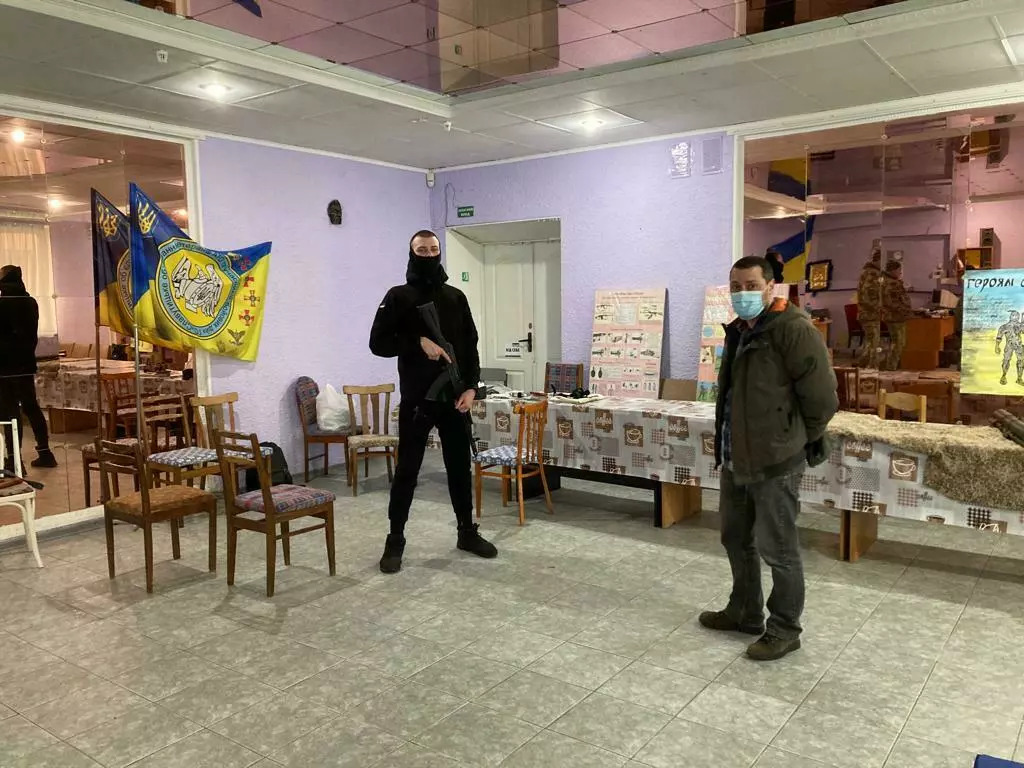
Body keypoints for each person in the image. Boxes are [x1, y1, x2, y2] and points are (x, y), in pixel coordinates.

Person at [700, 255, 837, 661]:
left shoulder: (793, 330)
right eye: (735, 287)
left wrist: (793, 439)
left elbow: (822, 399)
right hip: (736, 456)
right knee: (735, 538)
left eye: (750, 285)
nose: (741, 293)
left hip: (775, 460)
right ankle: (745, 611)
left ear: (771, 286)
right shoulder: (740, 331)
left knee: (777, 548)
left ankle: (784, 629)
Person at [369, 230, 497, 573]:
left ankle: (466, 532)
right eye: (422, 250)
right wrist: (417, 342)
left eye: (433, 249)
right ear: (412, 254)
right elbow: (378, 343)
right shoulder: (398, 296)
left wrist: (471, 388)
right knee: (407, 472)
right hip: (417, 401)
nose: (428, 254)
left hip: (453, 399)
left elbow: (470, 346)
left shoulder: (456, 297)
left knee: (459, 469)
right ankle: (395, 540)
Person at [0, 265, 57, 469]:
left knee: (10, 413)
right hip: (26, 364)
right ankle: (45, 452)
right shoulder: (30, 302)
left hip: (5, 368)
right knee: (31, 408)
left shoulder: (3, 303)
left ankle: (14, 460)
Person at [880, 259, 912, 371]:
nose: (900, 272)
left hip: (893, 316)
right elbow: (891, 302)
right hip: (895, 317)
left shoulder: (886, 281)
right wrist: (905, 310)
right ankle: (891, 366)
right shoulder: (892, 283)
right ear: (893, 270)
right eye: (899, 270)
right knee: (898, 342)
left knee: (897, 341)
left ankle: (889, 364)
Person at [855, 246, 883, 369]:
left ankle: (862, 364)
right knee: (874, 341)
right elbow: (868, 294)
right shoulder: (873, 273)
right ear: (879, 260)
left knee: (870, 340)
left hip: (866, 312)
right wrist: (879, 307)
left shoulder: (867, 272)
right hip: (870, 312)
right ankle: (872, 366)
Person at [995, 310, 1024, 386]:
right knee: (1006, 361)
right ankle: (1003, 376)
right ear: (1010, 316)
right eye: (1013, 315)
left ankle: (1019, 378)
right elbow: (999, 337)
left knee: (1021, 361)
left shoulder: (1020, 325)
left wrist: (1023, 321)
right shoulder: (1004, 326)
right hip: (1009, 345)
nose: (1015, 317)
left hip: (1019, 345)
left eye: (1017, 316)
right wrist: (997, 346)